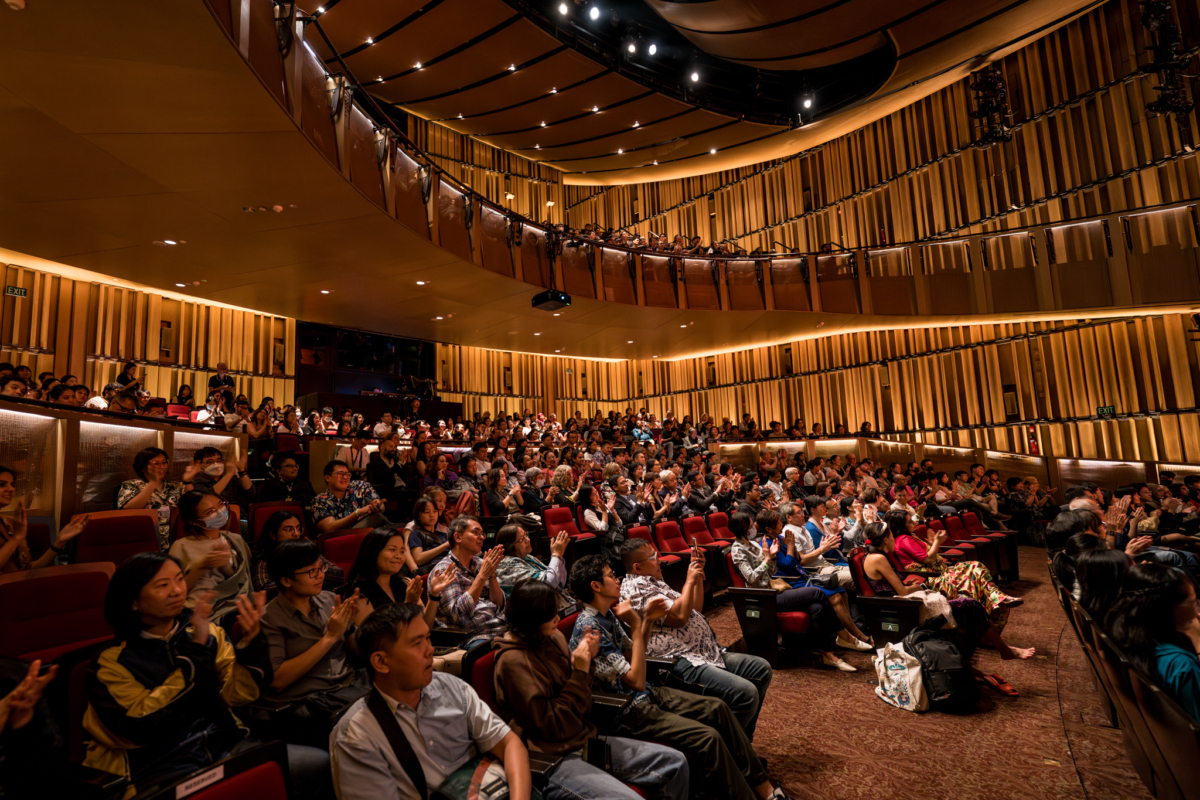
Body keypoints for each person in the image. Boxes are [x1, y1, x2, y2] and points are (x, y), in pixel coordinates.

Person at [83, 552, 330, 798]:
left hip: (224, 747)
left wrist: (251, 644)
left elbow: (238, 696)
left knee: (318, 763)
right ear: (133, 601)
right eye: (162, 585)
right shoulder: (110, 662)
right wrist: (197, 654)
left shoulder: (206, 632)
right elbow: (140, 728)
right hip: (155, 769)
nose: (177, 591)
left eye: (180, 579)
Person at [567, 556, 791, 800]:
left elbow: (633, 655)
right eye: (610, 575)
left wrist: (648, 620)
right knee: (708, 737)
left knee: (719, 708)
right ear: (596, 586)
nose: (616, 578)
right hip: (626, 711)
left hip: (645, 694)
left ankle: (763, 789)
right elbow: (635, 679)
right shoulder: (590, 628)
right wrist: (635, 623)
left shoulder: (606, 615)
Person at [492, 580, 690, 800]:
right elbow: (554, 727)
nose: (557, 618)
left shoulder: (552, 637)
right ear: (531, 619)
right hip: (551, 756)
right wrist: (581, 670)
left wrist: (588, 662)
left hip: (583, 738)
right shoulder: (512, 661)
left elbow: (582, 703)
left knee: (675, 762)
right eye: (550, 614)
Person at [330, 603, 531, 800]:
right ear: (381, 662)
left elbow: (508, 743)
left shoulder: (451, 687)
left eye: (428, 638)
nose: (430, 650)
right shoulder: (355, 735)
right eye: (417, 643)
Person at [619, 538, 773, 740]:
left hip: (702, 652)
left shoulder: (652, 580)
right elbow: (680, 618)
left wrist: (697, 575)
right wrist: (689, 580)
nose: (660, 560)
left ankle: (741, 744)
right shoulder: (635, 589)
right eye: (654, 557)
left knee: (760, 668)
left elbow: (695, 609)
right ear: (637, 567)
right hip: (677, 662)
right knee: (745, 693)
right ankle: (733, 750)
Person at [860, 522, 1035, 667]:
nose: (894, 540)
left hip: (902, 601)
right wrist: (919, 586)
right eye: (891, 536)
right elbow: (901, 592)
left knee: (969, 600)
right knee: (971, 604)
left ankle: (991, 646)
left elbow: (895, 586)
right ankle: (1002, 649)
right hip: (902, 608)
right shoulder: (878, 558)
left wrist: (910, 585)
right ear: (885, 540)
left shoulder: (876, 555)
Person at [254, 540, 371, 747]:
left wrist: (349, 626)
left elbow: (358, 654)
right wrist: (330, 637)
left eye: (321, 568)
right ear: (286, 580)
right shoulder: (268, 618)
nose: (320, 575)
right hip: (306, 705)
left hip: (348, 689)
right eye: (311, 572)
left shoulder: (327, 599)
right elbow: (278, 680)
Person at [728, 511, 861, 671]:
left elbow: (770, 572)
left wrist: (773, 557)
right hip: (763, 597)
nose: (753, 528)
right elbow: (751, 577)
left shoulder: (754, 544)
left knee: (817, 608)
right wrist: (766, 559)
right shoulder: (737, 549)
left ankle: (829, 655)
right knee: (817, 593)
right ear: (743, 528)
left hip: (773, 588)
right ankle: (844, 635)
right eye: (750, 525)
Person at [883, 509, 1022, 625]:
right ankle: (996, 601)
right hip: (933, 578)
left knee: (976, 566)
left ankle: (996, 599)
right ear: (901, 526)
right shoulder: (904, 540)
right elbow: (927, 559)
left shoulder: (909, 536)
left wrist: (932, 543)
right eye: (909, 522)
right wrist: (936, 542)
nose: (914, 522)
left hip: (939, 572)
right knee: (974, 570)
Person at [1108, 561, 1200, 720]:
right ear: (1167, 607)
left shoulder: (1124, 635)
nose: (1197, 610)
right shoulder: (1182, 665)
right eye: (1193, 602)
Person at [338, 527, 449, 633]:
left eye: (402, 551)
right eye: (392, 550)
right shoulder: (359, 595)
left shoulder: (404, 583)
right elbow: (379, 641)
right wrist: (408, 606)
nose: (399, 556)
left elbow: (426, 626)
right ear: (373, 551)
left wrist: (434, 595)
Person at [169, 490, 254, 624]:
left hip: (234, 604)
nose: (220, 512)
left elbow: (241, 581)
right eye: (210, 512)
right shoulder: (181, 546)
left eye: (221, 505)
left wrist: (226, 567)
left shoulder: (234, 539)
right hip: (201, 609)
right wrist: (202, 567)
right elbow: (174, 591)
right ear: (193, 521)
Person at [428, 516, 507, 643]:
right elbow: (457, 617)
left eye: (482, 534)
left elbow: (499, 604)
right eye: (476, 533)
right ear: (458, 537)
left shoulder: (480, 563)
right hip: (475, 636)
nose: (481, 537)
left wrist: (492, 577)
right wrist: (481, 576)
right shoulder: (445, 570)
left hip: (500, 625)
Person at [0, 467, 90, 571]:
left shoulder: (12, 523)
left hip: (21, 585)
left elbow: (29, 569)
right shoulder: (16, 530)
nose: (11, 489)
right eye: (2, 484)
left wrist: (60, 541)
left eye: (13, 485)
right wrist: (16, 538)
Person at [251, 510, 344, 594]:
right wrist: (297, 581)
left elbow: (339, 574)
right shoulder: (265, 555)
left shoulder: (306, 550)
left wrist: (313, 569)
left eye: (298, 528)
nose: (296, 534)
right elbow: (263, 588)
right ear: (273, 535)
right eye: (289, 529)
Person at [117, 446, 191, 547]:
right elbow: (128, 510)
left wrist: (189, 481)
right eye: (156, 463)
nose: (162, 466)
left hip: (175, 539)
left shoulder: (176, 486)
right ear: (143, 467)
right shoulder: (131, 485)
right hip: (143, 539)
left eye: (164, 462)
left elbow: (194, 505)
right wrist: (153, 482)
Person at [495, 524, 574, 610]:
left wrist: (559, 557)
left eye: (526, 535)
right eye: (522, 539)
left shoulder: (527, 557)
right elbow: (549, 584)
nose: (528, 540)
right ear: (510, 546)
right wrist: (556, 555)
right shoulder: (507, 565)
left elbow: (560, 582)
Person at [780, 501, 853, 589]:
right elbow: (802, 561)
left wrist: (823, 548)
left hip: (826, 565)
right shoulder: (789, 533)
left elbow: (817, 553)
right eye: (799, 513)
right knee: (859, 577)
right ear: (788, 517)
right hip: (816, 571)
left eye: (802, 512)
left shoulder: (803, 528)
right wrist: (822, 549)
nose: (803, 515)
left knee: (863, 570)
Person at [310, 460, 387, 533]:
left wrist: (378, 506)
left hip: (367, 533)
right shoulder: (319, 500)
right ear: (327, 478)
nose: (345, 477)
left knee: (377, 516)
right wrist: (357, 513)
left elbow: (379, 505)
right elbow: (329, 527)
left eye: (347, 474)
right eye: (340, 474)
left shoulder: (360, 486)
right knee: (377, 518)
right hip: (339, 538)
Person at [407, 496, 451, 574]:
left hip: (449, 565)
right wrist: (445, 545)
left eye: (434, 511)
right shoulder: (416, 533)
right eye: (427, 512)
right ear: (418, 516)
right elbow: (418, 559)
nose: (432, 515)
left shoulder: (443, 534)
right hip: (434, 570)